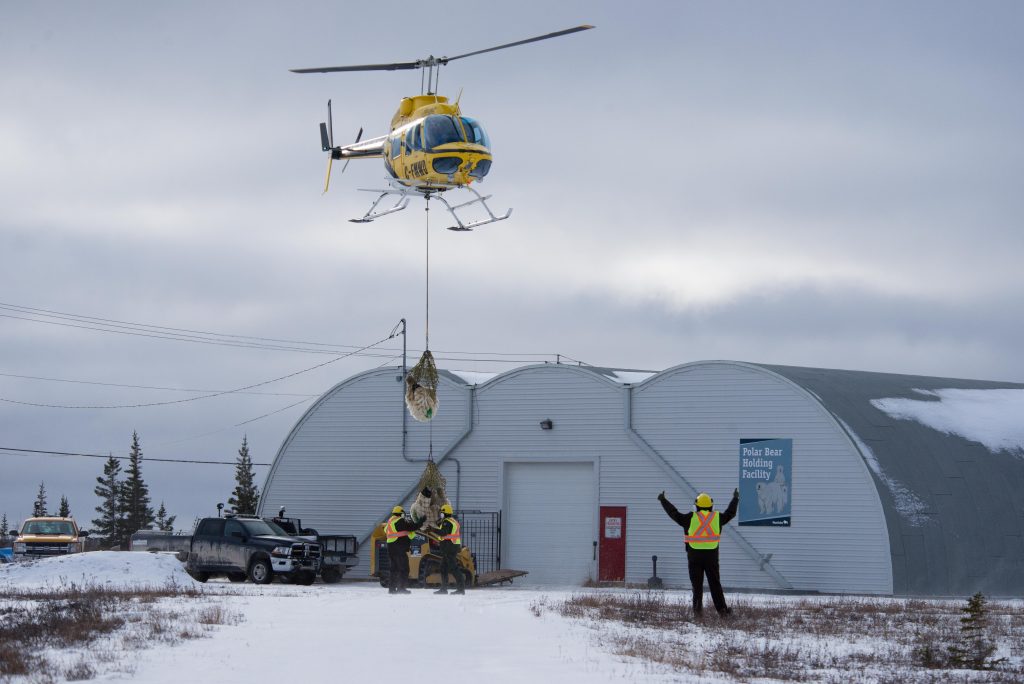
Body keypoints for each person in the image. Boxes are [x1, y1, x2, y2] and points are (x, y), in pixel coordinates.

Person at [658, 488, 739, 616]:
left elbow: (674, 514)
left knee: (697, 586)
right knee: (715, 585)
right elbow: (730, 513)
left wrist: (663, 500)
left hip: (694, 557)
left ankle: (697, 613)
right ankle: (723, 611)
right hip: (711, 557)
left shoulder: (690, 518)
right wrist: (735, 499)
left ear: (697, 506)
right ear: (711, 506)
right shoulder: (717, 518)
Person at [384, 505, 423, 594]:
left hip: (391, 547)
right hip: (399, 548)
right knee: (404, 568)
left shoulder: (390, 521)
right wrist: (420, 522)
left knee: (394, 568)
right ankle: (401, 588)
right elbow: (411, 527)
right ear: (401, 514)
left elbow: (386, 530)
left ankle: (392, 589)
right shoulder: (400, 521)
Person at [433, 503, 466, 595]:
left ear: (445, 513)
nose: (441, 514)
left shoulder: (447, 522)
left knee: (454, 568)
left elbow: (443, 533)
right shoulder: (452, 521)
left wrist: (433, 529)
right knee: (443, 568)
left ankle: (460, 589)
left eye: (442, 513)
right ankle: (444, 588)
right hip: (450, 547)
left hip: (449, 548)